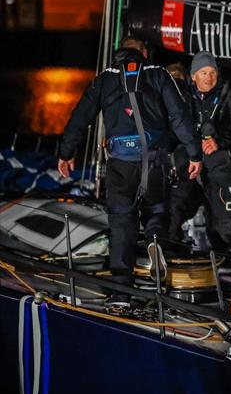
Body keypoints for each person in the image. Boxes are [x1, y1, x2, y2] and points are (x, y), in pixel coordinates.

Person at [58, 36, 201, 308]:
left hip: (121, 163)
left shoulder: (104, 79)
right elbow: (179, 116)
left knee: (121, 225)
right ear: (144, 52)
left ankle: (121, 293)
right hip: (155, 160)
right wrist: (194, 153)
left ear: (118, 52)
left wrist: (66, 153)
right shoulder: (159, 74)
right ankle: (154, 241)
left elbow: (80, 117)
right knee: (157, 209)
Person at [168, 51, 231, 274]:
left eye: (212, 73)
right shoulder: (182, 98)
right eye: (203, 73)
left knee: (226, 226)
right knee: (172, 213)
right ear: (193, 76)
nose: (209, 77)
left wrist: (219, 142)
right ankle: (171, 262)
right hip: (191, 170)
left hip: (222, 171)